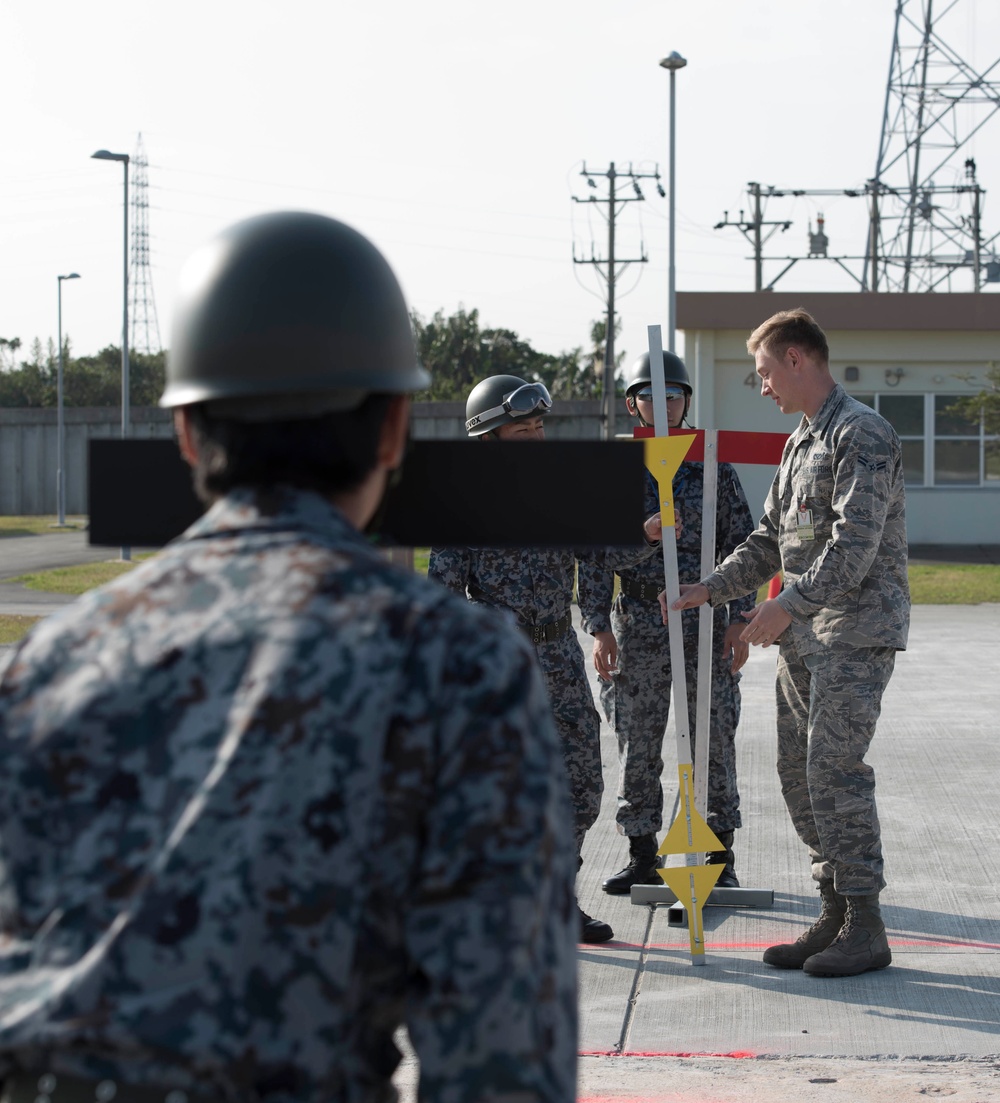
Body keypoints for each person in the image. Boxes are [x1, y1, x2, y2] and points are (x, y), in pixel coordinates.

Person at [0, 213, 580, 1103]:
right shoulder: (454, 666)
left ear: (188, 433)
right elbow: (501, 1063)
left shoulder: (54, 659)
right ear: (394, 428)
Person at [669, 307, 909, 978]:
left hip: (856, 631)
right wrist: (709, 588)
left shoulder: (863, 433)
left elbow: (853, 546)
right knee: (798, 775)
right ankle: (833, 910)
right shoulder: (802, 441)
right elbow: (770, 538)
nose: (762, 383)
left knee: (835, 770)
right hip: (805, 634)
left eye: (765, 369)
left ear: (798, 358)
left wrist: (785, 603)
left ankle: (866, 922)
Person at [427, 375, 613, 945]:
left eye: (539, 428)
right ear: (489, 438)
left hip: (559, 651)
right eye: (522, 430)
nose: (535, 439)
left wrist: (602, 625)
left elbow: (597, 554)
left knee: (582, 780)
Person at [579, 351, 755, 894]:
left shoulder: (713, 465)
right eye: (651, 396)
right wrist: (598, 627)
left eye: (673, 396)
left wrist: (739, 619)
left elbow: (744, 546)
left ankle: (718, 858)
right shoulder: (613, 471)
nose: (664, 405)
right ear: (634, 404)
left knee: (713, 737)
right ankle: (641, 854)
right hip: (636, 621)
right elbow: (593, 555)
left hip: (704, 616)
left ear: (686, 404)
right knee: (637, 738)